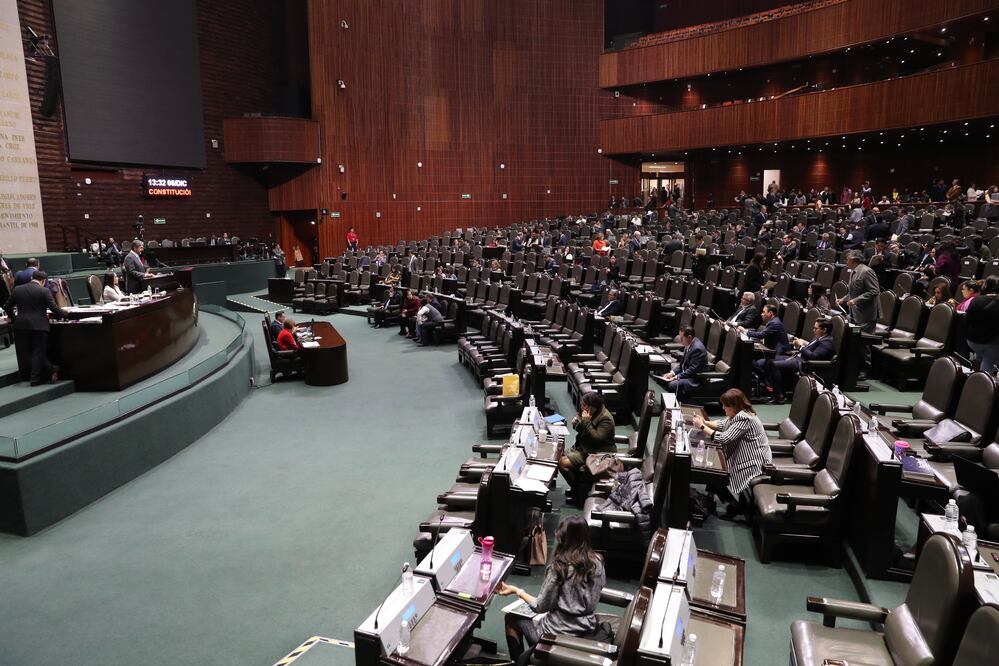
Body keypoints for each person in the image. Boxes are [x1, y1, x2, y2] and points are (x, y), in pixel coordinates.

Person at [496, 515, 605, 664]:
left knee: (511, 618)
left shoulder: (559, 567)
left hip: (555, 633)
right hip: (587, 628)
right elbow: (599, 588)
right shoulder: (597, 562)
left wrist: (518, 591)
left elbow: (540, 606)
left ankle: (522, 661)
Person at [692, 389, 772, 519]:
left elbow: (725, 438)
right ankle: (712, 499)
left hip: (754, 461)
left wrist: (702, 427)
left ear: (734, 405)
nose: (723, 408)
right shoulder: (739, 414)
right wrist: (705, 422)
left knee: (720, 474)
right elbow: (722, 424)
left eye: (725, 405)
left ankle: (737, 506)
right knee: (716, 470)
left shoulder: (745, 418)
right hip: (746, 455)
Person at [2, 271, 69, 385]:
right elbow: (54, 309)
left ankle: (51, 369)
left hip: (21, 326)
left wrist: (13, 318)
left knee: (33, 351)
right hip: (39, 326)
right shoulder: (44, 291)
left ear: (32, 278)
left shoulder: (18, 289)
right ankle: (35, 378)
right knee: (38, 351)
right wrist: (66, 313)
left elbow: (7, 307)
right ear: (43, 281)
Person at [764, 318, 836, 403]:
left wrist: (801, 346)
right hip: (798, 358)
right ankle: (774, 389)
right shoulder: (819, 337)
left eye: (816, 328)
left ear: (824, 330)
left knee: (774, 365)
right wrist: (800, 343)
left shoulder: (827, 342)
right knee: (770, 359)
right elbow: (810, 347)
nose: (813, 330)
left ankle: (779, 396)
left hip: (804, 364)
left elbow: (813, 357)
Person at [559, 391, 616, 495]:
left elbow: (597, 439)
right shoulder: (594, 413)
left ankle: (578, 492)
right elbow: (586, 432)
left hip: (597, 454)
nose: (581, 407)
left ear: (592, 406)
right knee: (559, 454)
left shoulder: (605, 418)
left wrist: (586, 422)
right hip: (586, 448)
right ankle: (578, 489)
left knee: (562, 463)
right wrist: (577, 424)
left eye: (584, 405)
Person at [838, 251, 879, 377]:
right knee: (856, 341)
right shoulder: (854, 271)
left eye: (848, 259)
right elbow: (853, 291)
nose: (846, 261)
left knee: (863, 343)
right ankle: (855, 367)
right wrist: (843, 299)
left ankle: (866, 370)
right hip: (855, 313)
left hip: (866, 314)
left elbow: (874, 291)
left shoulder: (867, 271)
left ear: (854, 260)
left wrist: (855, 300)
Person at [657, 325, 707, 403]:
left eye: (682, 338)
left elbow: (692, 370)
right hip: (686, 374)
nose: (680, 340)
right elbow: (682, 364)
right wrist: (672, 373)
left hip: (693, 379)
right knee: (665, 378)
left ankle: (681, 403)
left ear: (689, 337)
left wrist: (677, 376)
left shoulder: (697, 349)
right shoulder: (689, 344)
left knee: (672, 385)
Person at [966, 276, 999, 373]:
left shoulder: (976, 300)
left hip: (972, 341)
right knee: (989, 358)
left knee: (981, 353)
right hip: (992, 343)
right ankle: (981, 383)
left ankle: (974, 375)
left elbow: (968, 320)